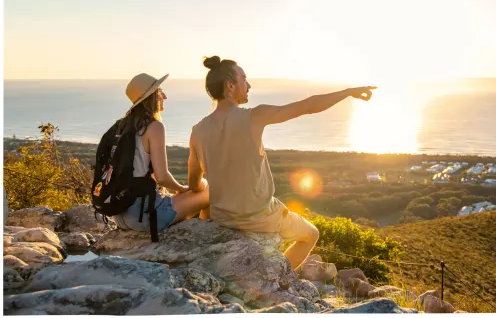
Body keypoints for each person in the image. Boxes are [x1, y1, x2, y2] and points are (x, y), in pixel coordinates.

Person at [188, 56, 376, 269]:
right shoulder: (255, 116)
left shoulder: (197, 131)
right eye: (244, 79)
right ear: (230, 86)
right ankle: (279, 274)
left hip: (221, 218)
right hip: (260, 217)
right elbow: (309, 106)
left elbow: (194, 183)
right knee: (311, 234)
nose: (248, 85)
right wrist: (348, 92)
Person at [111, 73, 210, 233]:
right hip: (144, 216)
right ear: (150, 97)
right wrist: (182, 188)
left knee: (183, 194)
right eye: (160, 91)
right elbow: (162, 176)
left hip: (120, 215)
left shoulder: (123, 125)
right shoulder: (154, 126)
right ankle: (208, 235)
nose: (165, 96)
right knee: (208, 190)